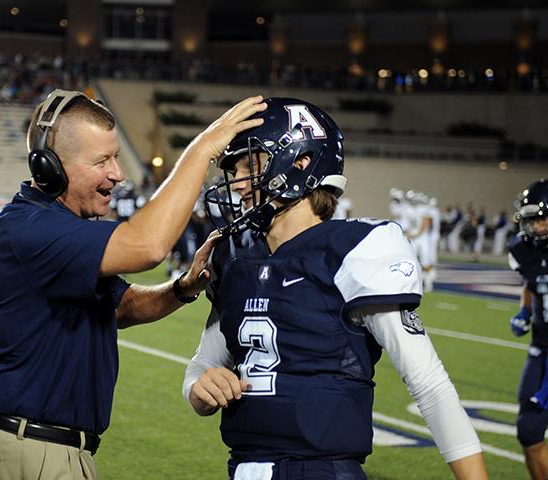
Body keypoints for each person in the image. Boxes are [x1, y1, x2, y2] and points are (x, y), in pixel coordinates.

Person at [0, 90, 267, 480]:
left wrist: (183, 287)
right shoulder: (34, 228)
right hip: (32, 453)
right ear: (50, 167)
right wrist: (202, 148)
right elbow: (148, 246)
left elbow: (122, 306)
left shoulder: (54, 225)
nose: (118, 173)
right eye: (102, 160)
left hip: (20, 443)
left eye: (116, 156)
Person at [183, 97, 487, 480]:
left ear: (300, 162)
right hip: (243, 467)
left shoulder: (354, 249)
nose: (239, 182)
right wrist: (200, 388)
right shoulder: (234, 257)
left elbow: (428, 383)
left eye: (251, 163)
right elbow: (202, 367)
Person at [507, 178, 548, 480]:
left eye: (542, 219)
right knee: (529, 428)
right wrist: (525, 309)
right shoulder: (525, 249)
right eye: (532, 220)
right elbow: (533, 280)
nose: (536, 227)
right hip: (542, 347)